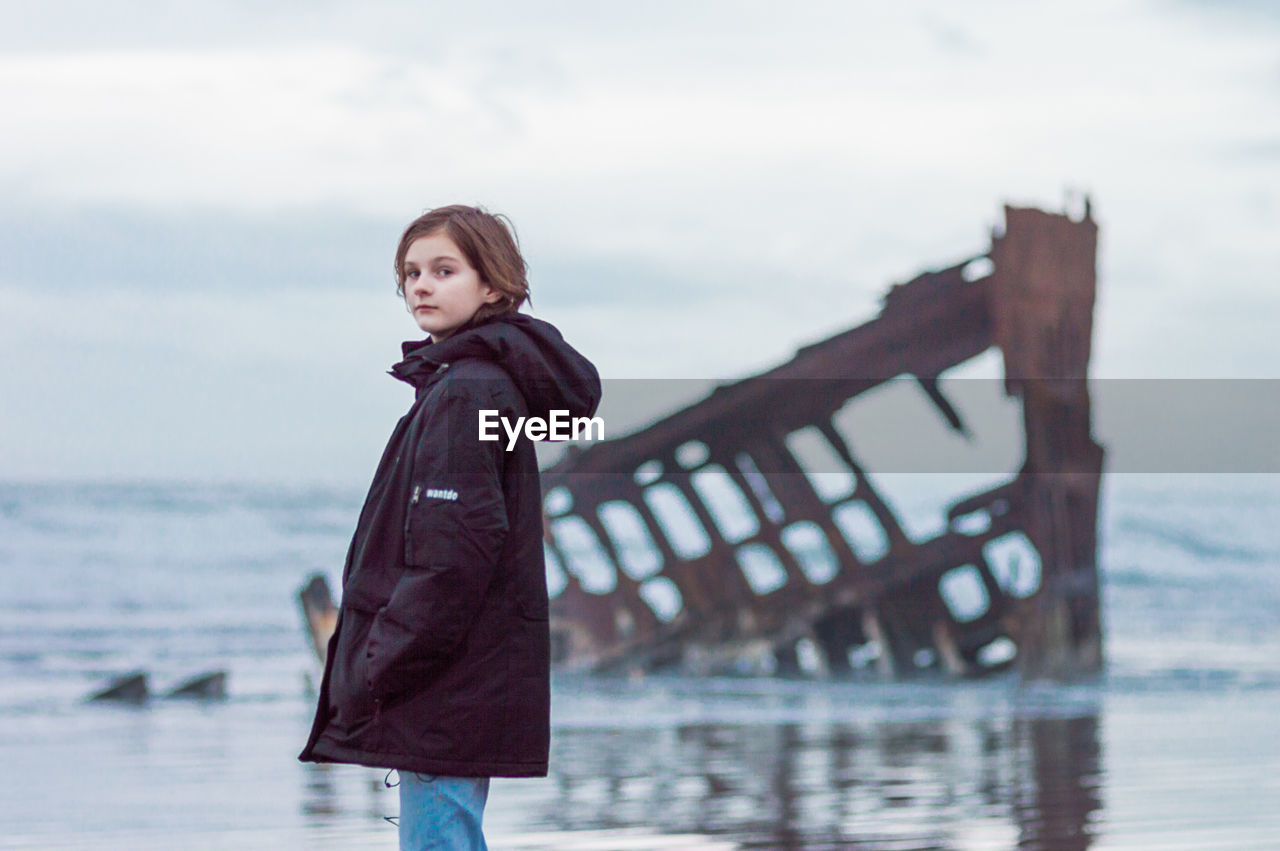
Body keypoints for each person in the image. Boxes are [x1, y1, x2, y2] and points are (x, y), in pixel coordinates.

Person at [299, 204, 601, 850]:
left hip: (443, 683)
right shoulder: (473, 386)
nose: (421, 286)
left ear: (492, 284)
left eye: (443, 269)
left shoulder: (466, 393)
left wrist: (379, 659)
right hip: (463, 677)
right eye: (411, 273)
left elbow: (454, 554)